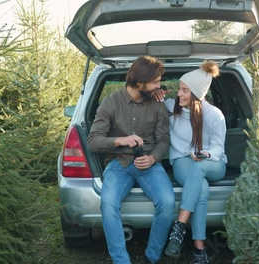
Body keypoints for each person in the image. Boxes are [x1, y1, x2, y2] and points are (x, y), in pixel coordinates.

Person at [87, 56, 175, 264]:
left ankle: (152, 257)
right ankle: (121, 261)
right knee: (108, 203)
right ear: (138, 83)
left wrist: (153, 158)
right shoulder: (110, 102)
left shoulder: (157, 104)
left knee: (168, 202)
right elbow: (92, 141)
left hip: (149, 165)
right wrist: (120, 140)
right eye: (155, 82)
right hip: (119, 163)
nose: (158, 85)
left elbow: (164, 140)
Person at [162, 61, 227, 264]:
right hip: (182, 160)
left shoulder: (214, 115)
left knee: (199, 169)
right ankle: (200, 251)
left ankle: (179, 226)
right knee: (202, 189)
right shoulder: (173, 108)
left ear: (197, 94)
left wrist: (204, 154)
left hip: (213, 163)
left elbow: (218, 148)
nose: (178, 94)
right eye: (179, 89)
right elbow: (151, 101)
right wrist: (157, 94)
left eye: (184, 90)